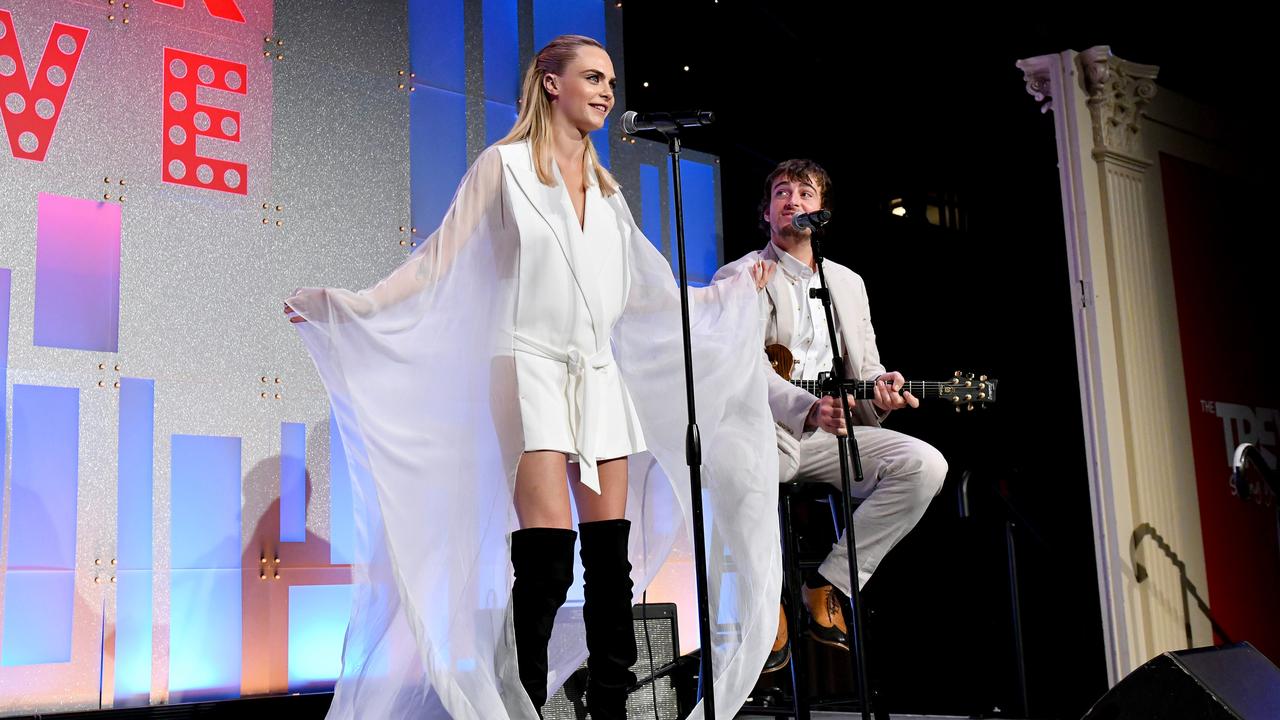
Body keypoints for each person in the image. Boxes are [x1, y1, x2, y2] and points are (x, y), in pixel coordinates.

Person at [286, 35, 779, 720]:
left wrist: (730, 296)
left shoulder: (609, 194)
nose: (608, 91)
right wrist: (354, 307)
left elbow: (654, 294)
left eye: (611, 80)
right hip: (524, 366)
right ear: (551, 84)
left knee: (611, 563)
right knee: (547, 562)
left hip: (598, 375)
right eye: (593, 77)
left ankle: (609, 706)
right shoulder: (504, 167)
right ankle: (518, 705)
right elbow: (436, 262)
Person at [713, 159, 947, 673]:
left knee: (925, 465)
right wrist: (807, 409)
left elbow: (864, 370)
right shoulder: (741, 275)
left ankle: (829, 584)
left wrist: (880, 395)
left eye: (804, 193)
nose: (792, 200)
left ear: (822, 212)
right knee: (737, 473)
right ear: (767, 210)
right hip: (765, 431)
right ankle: (765, 600)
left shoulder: (847, 283)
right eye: (780, 192)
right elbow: (742, 370)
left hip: (830, 433)